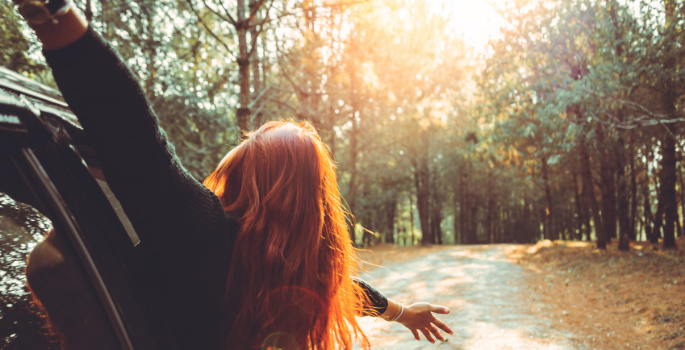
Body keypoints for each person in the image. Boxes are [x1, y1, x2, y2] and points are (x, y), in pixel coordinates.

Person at [19, 1, 453, 349]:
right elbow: (343, 286)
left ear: (254, 172)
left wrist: (55, 16)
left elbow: (135, 136)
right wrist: (400, 313)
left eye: (251, 145)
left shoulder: (205, 229)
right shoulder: (287, 270)